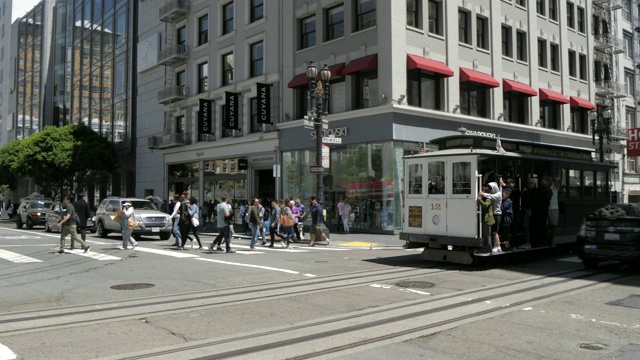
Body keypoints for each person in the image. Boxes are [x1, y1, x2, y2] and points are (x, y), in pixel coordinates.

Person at [479, 182, 502, 254]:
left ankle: (497, 247)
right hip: (493, 214)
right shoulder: (492, 195)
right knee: (493, 232)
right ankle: (496, 247)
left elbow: (492, 197)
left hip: (496, 214)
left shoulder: (498, 194)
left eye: (490, 189)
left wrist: (482, 194)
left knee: (495, 232)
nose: (490, 190)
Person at [531, 176, 552, 247]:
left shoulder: (548, 190)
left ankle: (544, 240)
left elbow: (546, 200)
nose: (542, 181)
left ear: (547, 181)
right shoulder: (539, 189)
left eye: (543, 180)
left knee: (543, 225)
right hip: (537, 210)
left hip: (543, 211)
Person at [477, 185, 495, 252]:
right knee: (485, 235)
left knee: (487, 235)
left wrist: (479, 200)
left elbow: (485, 206)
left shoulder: (488, 198)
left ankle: (488, 249)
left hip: (488, 220)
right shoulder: (485, 197)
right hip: (485, 219)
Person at [548, 176, 562, 245]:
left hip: (553, 208)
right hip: (549, 208)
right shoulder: (547, 188)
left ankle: (551, 240)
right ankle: (548, 239)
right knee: (549, 226)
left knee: (552, 225)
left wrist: (554, 179)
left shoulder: (554, 187)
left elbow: (558, 180)